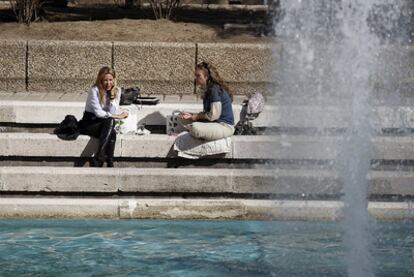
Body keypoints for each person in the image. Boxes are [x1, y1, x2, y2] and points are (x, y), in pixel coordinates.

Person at [79, 66, 128, 167]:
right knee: (111, 123)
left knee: (111, 128)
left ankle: (104, 159)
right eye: (105, 80)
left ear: (114, 80)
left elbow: (112, 111)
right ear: (100, 80)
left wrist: (112, 97)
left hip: (104, 123)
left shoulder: (117, 91)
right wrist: (118, 117)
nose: (108, 83)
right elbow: (98, 113)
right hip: (90, 122)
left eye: (110, 80)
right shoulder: (94, 90)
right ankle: (108, 161)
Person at [178, 62, 235, 141]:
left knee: (195, 127)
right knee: (182, 118)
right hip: (214, 123)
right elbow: (207, 114)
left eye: (198, 76)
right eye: (195, 75)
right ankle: (191, 129)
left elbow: (214, 115)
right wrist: (191, 115)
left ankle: (191, 130)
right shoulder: (208, 89)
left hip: (224, 126)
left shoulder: (214, 90)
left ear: (206, 77)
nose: (196, 78)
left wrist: (197, 117)